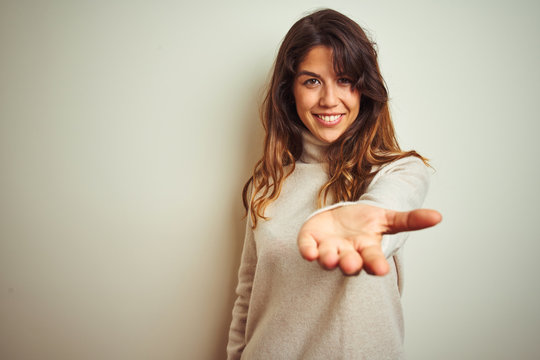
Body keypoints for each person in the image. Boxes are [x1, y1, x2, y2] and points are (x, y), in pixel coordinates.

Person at [227, 8, 441, 359]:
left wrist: (366, 217)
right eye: (312, 81)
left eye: (345, 80)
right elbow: (248, 294)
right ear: (289, 92)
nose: (329, 99)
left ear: (365, 90)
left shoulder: (398, 173)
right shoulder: (265, 186)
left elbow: (389, 204)